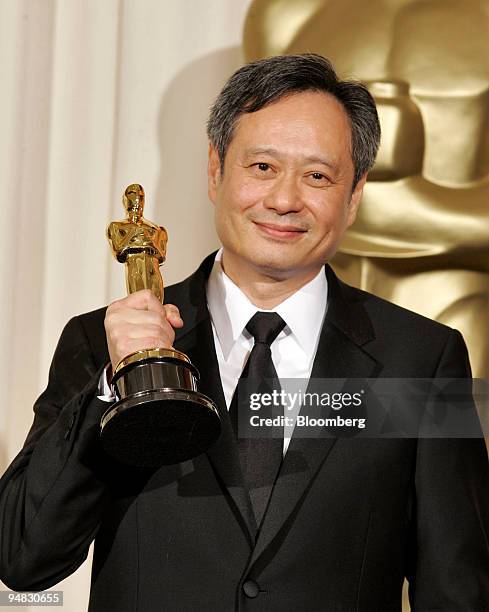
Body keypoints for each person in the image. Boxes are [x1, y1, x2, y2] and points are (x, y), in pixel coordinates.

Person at [0, 54, 488, 611]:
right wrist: (115, 385)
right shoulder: (100, 344)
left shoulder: (421, 359)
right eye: (261, 167)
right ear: (215, 171)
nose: (284, 200)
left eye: (317, 176)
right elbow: (24, 558)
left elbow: (457, 587)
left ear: (354, 197)